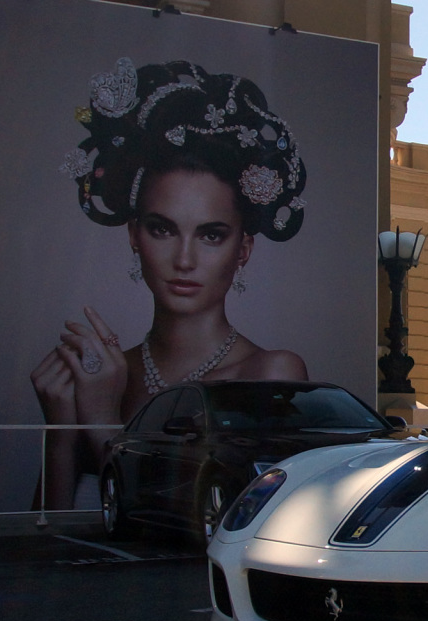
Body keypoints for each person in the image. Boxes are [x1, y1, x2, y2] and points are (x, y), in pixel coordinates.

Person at [32, 59, 310, 509]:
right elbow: (48, 551)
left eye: (211, 235)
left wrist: (103, 423)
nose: (184, 260)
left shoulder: (270, 373)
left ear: (243, 249)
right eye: (163, 229)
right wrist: (61, 436)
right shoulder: (106, 375)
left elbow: (220, 516)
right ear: (134, 235)